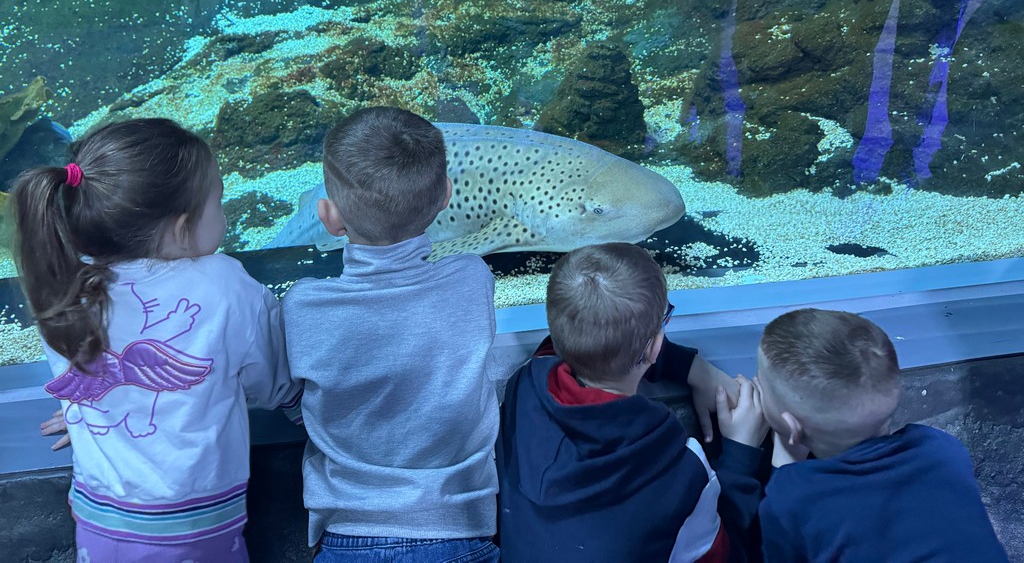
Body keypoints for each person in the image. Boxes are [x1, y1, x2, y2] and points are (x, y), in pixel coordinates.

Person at [14, 117, 302, 563]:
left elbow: (95, 375)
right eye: (218, 201)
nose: (224, 215)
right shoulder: (226, 285)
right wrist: (305, 410)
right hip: (194, 530)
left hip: (99, 520)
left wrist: (85, 410)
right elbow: (272, 384)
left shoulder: (63, 287)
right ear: (181, 227)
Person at [282, 106, 501, 563]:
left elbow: (292, 397)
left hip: (347, 534)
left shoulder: (304, 305)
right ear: (446, 195)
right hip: (462, 531)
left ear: (329, 217)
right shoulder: (472, 277)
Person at [496, 242, 767, 563]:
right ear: (654, 347)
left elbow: (564, 344)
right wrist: (741, 453)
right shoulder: (681, 470)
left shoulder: (524, 387)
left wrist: (693, 369)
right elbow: (724, 556)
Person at [755, 308, 1008, 562]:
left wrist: (783, 463)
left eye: (762, 386)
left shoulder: (790, 497)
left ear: (792, 426)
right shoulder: (941, 449)